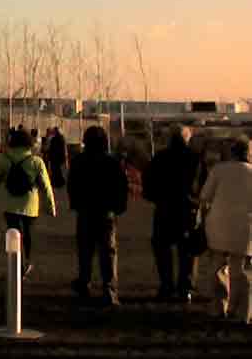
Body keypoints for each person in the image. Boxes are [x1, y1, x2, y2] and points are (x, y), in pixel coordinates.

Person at [143, 124, 206, 301]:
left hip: (164, 209)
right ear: (187, 138)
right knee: (188, 252)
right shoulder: (195, 159)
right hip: (188, 210)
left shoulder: (159, 158)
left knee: (162, 249)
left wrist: (157, 199)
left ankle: (166, 285)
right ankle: (186, 288)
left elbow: (148, 185)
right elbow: (203, 186)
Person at [67, 126, 128, 306]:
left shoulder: (79, 161)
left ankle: (84, 283)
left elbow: (73, 185)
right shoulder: (112, 162)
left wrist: (76, 204)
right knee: (108, 252)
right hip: (106, 212)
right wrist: (119, 207)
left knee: (85, 250)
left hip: (85, 211)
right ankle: (109, 290)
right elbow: (121, 186)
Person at [200, 138, 252, 324]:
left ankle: (218, 307)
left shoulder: (219, 170)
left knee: (218, 268)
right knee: (243, 271)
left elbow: (205, 196)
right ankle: (243, 312)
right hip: (246, 228)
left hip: (218, 225)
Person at [0, 127, 57, 277]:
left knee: (13, 233)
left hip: (9, 203)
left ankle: (16, 261)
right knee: (28, 234)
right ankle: (28, 261)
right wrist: (51, 206)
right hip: (30, 204)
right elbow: (46, 186)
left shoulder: (4, 159)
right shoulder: (36, 161)